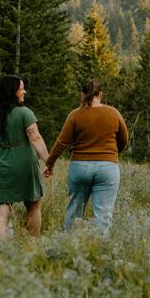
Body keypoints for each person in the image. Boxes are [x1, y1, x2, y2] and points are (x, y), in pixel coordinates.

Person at [45, 78, 129, 236]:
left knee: (74, 211)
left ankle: (69, 246)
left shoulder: (75, 115)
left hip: (80, 167)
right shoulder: (113, 113)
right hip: (108, 168)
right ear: (100, 94)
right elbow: (124, 141)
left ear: (82, 94)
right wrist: (111, 154)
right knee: (103, 216)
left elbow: (61, 142)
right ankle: (98, 251)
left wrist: (50, 164)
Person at [0, 75, 49, 239]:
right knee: (33, 206)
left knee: (0, 212)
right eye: (21, 88)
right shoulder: (25, 113)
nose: (24, 91)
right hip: (25, 165)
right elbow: (36, 138)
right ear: (13, 92)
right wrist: (49, 161)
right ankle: (31, 245)